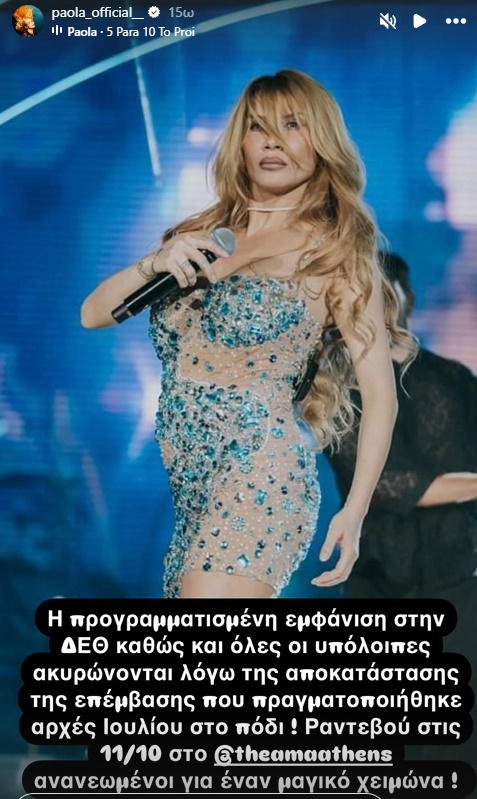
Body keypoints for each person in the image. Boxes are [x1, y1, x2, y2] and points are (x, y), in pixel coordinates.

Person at [81, 69, 411, 600]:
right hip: (191, 494)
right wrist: (154, 263)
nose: (272, 141)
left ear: (321, 142)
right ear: (241, 141)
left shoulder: (335, 253)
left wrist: (355, 510)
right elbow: (93, 314)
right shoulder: (201, 237)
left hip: (261, 477)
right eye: (258, 127)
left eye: (292, 125)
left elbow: (380, 395)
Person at [327, 251, 477, 767]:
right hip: (378, 580)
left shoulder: (455, 379)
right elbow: (386, 487)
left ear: (406, 299)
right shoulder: (336, 390)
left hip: (459, 579)